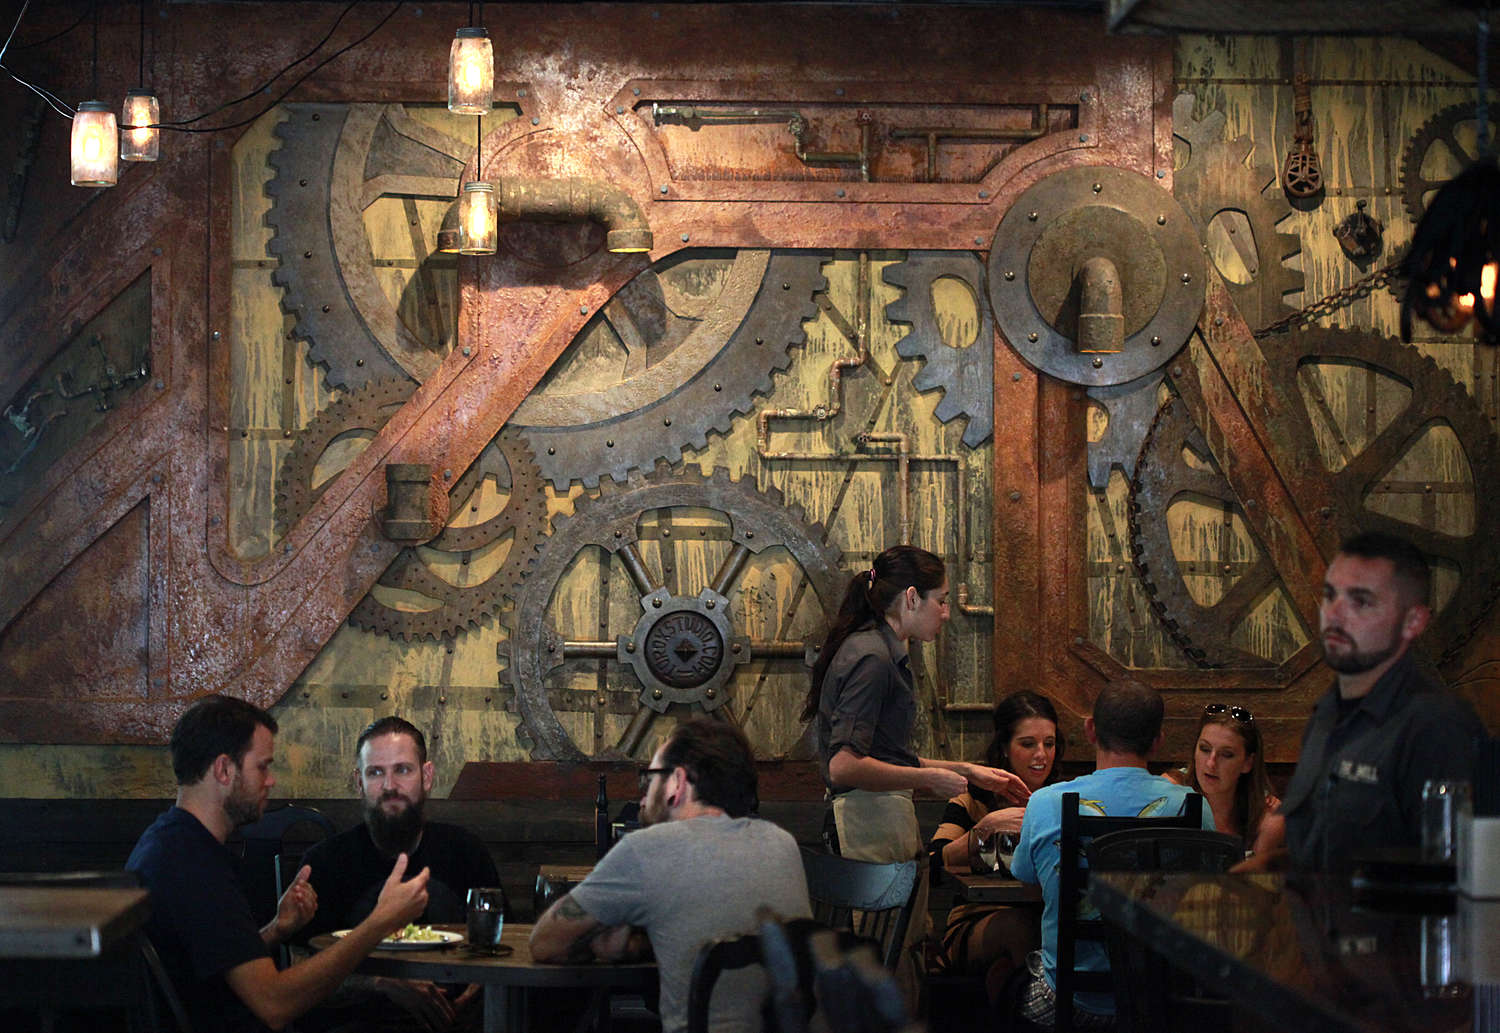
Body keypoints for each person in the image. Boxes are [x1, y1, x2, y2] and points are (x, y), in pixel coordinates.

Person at [126, 695, 430, 1033]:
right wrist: (379, 923)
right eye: (262, 766)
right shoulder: (192, 864)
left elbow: (215, 962)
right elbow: (275, 1003)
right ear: (225, 770)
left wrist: (275, 929)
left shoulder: (172, 843)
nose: (270, 780)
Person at [530, 718, 809, 1033]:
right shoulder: (782, 843)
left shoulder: (646, 848)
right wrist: (641, 944)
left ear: (677, 783)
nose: (643, 798)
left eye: (649, 779)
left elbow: (544, 944)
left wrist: (624, 944)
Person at [803, 545, 1030, 865]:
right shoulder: (873, 658)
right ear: (912, 598)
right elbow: (844, 767)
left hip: (879, 820)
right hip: (865, 823)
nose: (947, 612)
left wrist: (965, 770)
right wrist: (928, 779)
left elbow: (884, 757)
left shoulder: (880, 650)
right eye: (941, 600)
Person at [1272, 532, 1484, 873]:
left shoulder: (1436, 726)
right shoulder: (1328, 713)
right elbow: (1328, 856)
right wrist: (1268, 867)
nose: (1335, 614)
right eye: (1329, 595)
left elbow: (1456, 877)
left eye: (1361, 601)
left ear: (1413, 622)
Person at [1009, 680, 1213, 1030]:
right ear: (1158, 739)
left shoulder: (1046, 802)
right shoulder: (1192, 806)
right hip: (1156, 1006)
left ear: (1090, 729)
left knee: (1003, 981)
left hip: (1069, 1004)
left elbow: (1025, 876)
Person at [298, 716, 501, 1032]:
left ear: (427, 776)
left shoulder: (465, 851)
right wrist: (381, 983)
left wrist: (477, 995)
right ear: (359, 783)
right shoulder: (325, 863)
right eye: (375, 772)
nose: (389, 786)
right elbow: (299, 976)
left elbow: (501, 948)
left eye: (402, 770)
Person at [929, 691, 1062, 1002]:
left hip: (1050, 916)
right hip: (978, 919)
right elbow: (935, 863)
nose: (1041, 754)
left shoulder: (1062, 799)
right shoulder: (974, 798)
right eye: (1028, 744)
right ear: (1004, 747)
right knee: (1021, 928)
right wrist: (984, 829)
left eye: (1049, 743)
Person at [1165, 703, 1280, 855]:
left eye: (1226, 755)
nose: (1211, 763)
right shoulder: (1169, 791)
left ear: (1247, 763)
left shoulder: (1267, 815)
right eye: (1205, 749)